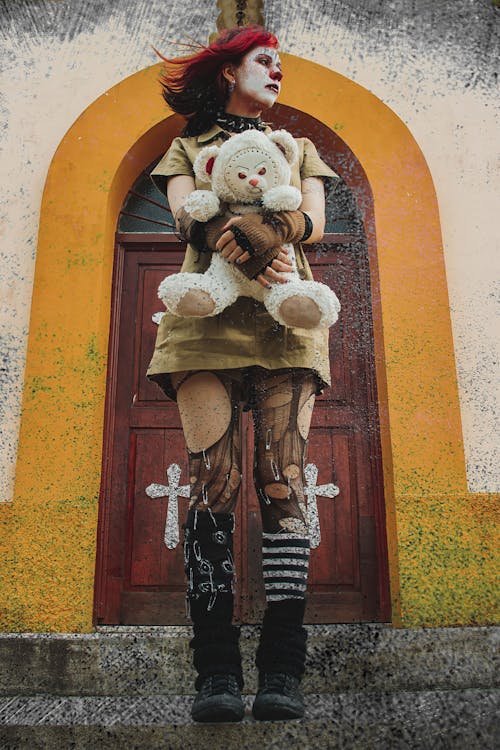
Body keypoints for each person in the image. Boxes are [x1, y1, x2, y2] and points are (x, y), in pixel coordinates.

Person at [147, 26, 339, 723]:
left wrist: (278, 234)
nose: (277, 72)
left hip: (288, 325)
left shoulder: (299, 148)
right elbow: (181, 217)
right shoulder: (186, 148)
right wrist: (237, 237)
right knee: (214, 487)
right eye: (266, 61)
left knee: (284, 487)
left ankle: (283, 673)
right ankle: (216, 676)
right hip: (203, 325)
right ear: (231, 69)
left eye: (281, 63)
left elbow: (313, 219)